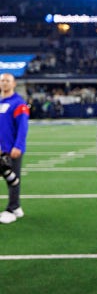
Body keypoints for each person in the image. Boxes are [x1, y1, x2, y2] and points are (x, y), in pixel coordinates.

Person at [0, 73, 29, 224]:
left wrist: (18, 146)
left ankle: (13, 208)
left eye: (7, 81)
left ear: (14, 84)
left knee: (13, 179)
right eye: (2, 81)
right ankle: (15, 207)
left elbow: (22, 127)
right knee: (8, 177)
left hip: (12, 149)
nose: (4, 83)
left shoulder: (18, 103)